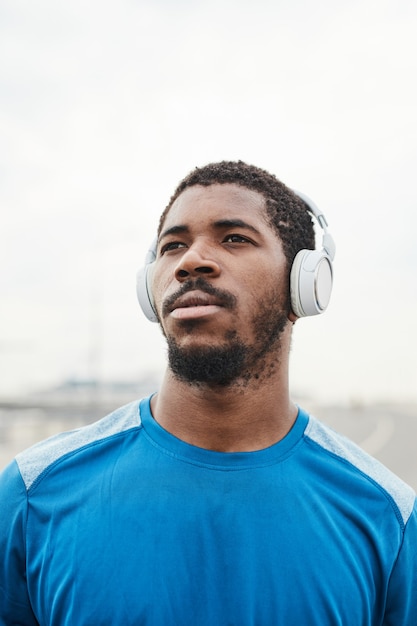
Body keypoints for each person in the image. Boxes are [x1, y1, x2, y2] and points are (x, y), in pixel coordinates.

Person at [0, 161, 416, 625]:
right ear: (149, 289)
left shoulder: (387, 517)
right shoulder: (32, 494)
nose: (190, 260)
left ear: (305, 285)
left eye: (235, 237)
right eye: (172, 245)